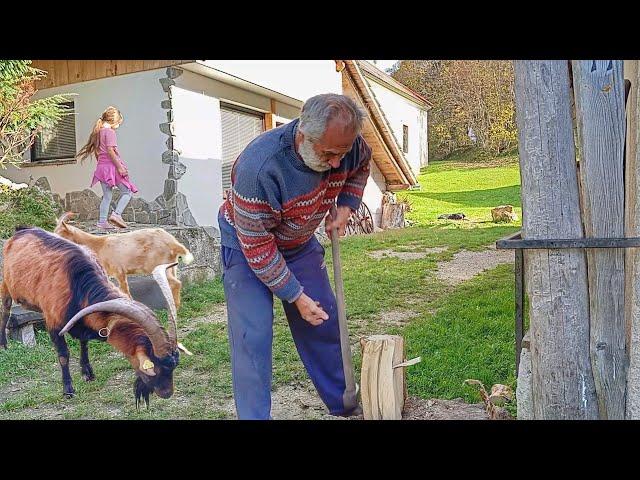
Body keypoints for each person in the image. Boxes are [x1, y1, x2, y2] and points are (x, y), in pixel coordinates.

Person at [218, 93, 372, 419]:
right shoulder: (259, 167)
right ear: (303, 133)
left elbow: (360, 166)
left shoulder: (349, 147)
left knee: (323, 318)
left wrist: (345, 204)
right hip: (247, 246)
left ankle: (344, 405)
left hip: (298, 241)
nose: (335, 163)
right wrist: (295, 295)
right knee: (253, 335)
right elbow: (258, 248)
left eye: (340, 154)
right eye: (328, 153)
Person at [76, 106, 138, 230]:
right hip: (112, 167)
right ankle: (116, 214)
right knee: (127, 191)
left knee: (107, 196)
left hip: (101, 168)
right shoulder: (110, 132)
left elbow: (99, 153)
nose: (118, 126)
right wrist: (120, 167)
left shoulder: (98, 132)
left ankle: (102, 222)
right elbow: (110, 151)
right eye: (119, 123)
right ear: (113, 121)